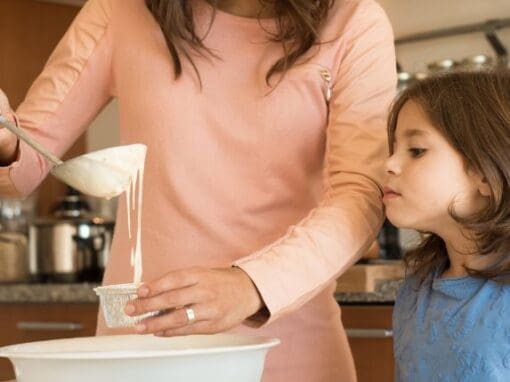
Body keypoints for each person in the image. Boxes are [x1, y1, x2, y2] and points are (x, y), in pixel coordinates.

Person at [0, 0, 396, 380]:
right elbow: (23, 164)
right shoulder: (120, 10)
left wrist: (253, 285)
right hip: (141, 352)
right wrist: (6, 143)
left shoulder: (353, 21)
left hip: (290, 349)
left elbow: (359, 196)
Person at [385, 70, 510, 382]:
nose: (389, 163)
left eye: (416, 151)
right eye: (394, 148)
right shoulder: (414, 291)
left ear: (484, 174)